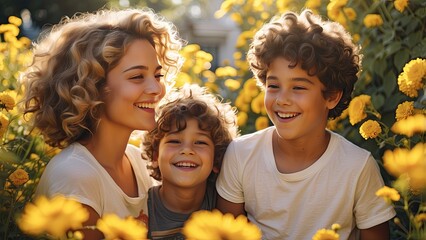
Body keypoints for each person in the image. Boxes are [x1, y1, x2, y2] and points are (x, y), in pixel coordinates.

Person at [216, 9, 396, 240]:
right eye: (273, 86)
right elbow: (226, 234)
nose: (282, 99)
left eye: (298, 87)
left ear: (332, 96)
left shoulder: (358, 168)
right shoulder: (241, 155)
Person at [22, 8, 184, 239]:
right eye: (137, 76)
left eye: (157, 75)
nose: (157, 89)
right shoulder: (74, 175)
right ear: (93, 86)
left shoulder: (139, 161)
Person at [141, 84, 238, 239]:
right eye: (174, 141)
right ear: (155, 156)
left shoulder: (225, 205)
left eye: (200, 142)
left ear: (216, 159)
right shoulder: (143, 210)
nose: (187, 150)